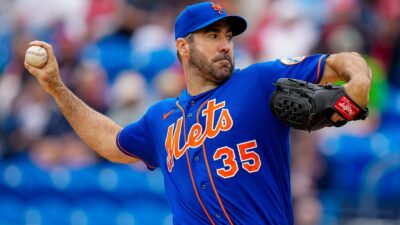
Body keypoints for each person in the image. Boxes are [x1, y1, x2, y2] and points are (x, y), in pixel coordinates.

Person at [24, 2, 371, 225]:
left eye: (228, 36)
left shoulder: (259, 81)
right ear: (182, 47)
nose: (225, 44)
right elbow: (110, 141)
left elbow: (340, 62)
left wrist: (356, 86)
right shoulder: (160, 119)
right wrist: (56, 87)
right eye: (212, 34)